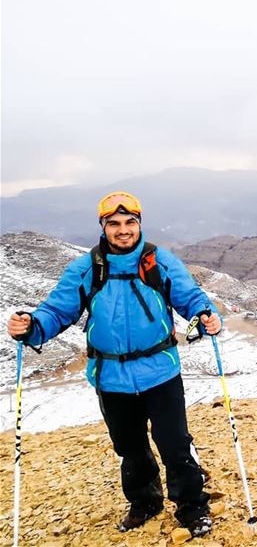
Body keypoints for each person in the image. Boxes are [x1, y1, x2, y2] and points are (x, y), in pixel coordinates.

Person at [6, 191, 222, 538]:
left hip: (160, 370)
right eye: (115, 224)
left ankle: (193, 507)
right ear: (103, 227)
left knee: (174, 443)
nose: (123, 230)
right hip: (110, 377)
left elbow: (191, 297)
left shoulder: (157, 261)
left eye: (129, 223)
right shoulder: (88, 268)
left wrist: (208, 316)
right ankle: (144, 503)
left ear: (139, 224)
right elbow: (58, 310)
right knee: (130, 447)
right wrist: (31, 327)